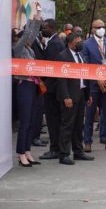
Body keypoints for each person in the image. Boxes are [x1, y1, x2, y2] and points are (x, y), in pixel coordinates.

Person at [55, 33, 95, 165]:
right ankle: (64, 154)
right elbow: (61, 80)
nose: (81, 42)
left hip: (81, 94)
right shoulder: (62, 56)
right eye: (78, 40)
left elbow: (86, 75)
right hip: (70, 96)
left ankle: (78, 151)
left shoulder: (81, 55)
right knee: (67, 125)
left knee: (78, 125)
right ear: (71, 42)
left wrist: (88, 93)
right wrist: (66, 96)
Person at [82, 19, 106, 152]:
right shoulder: (86, 44)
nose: (101, 29)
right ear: (93, 29)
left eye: (103, 27)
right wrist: (97, 78)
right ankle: (87, 141)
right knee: (90, 114)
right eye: (98, 27)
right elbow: (85, 64)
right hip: (93, 85)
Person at [13, 11, 43, 167]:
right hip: (23, 85)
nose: (25, 34)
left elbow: (33, 33)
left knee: (32, 120)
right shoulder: (17, 48)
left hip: (33, 85)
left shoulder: (28, 49)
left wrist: (37, 17)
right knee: (25, 121)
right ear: (16, 36)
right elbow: (27, 35)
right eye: (20, 31)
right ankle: (20, 153)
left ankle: (27, 150)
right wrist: (30, 17)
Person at [40, 18, 66, 160]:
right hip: (54, 87)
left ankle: (55, 149)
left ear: (51, 28)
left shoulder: (55, 44)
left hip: (52, 89)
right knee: (55, 119)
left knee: (53, 120)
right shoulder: (54, 42)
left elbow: (51, 68)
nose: (43, 30)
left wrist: (43, 82)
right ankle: (57, 148)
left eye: (44, 28)